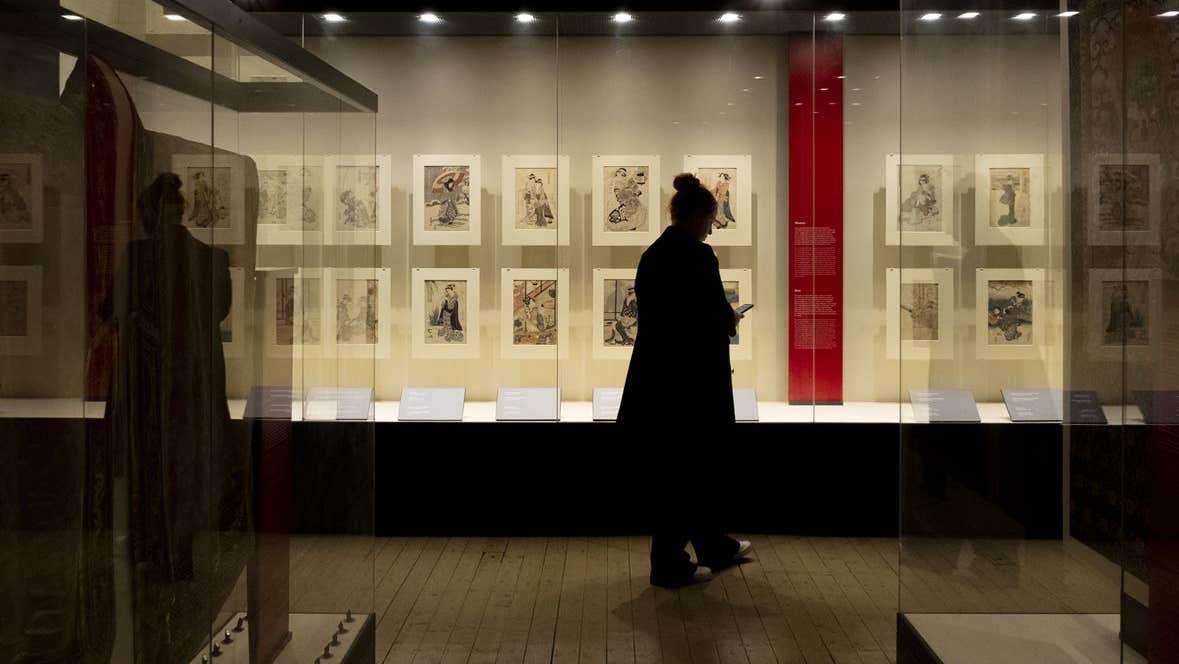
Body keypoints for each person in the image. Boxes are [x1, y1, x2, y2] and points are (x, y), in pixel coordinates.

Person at [616, 172, 751, 587]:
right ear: (697, 217)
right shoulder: (699, 256)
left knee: (677, 470)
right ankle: (670, 564)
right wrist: (732, 316)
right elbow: (712, 315)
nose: (712, 229)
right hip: (692, 383)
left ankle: (711, 545)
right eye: (710, 220)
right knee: (690, 470)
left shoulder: (652, 255)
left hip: (659, 379)